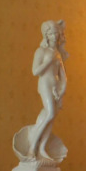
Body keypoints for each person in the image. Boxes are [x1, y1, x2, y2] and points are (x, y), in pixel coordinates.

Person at [26, 20, 68, 160]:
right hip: (45, 84)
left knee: (51, 117)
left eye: (56, 33)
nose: (54, 36)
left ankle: (42, 148)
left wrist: (62, 90)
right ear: (46, 35)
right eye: (51, 34)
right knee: (50, 113)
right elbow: (35, 71)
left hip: (55, 86)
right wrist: (48, 61)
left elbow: (63, 76)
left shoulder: (57, 53)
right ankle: (32, 147)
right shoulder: (41, 51)